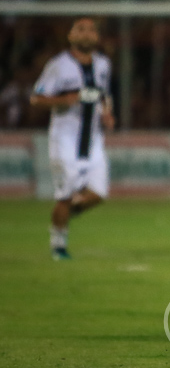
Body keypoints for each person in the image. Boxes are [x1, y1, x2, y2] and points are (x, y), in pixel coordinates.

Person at [30, 18, 114, 260]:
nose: (87, 34)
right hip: (65, 140)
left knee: (98, 194)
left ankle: (62, 217)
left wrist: (107, 114)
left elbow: (104, 95)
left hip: (93, 140)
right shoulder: (59, 65)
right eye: (81, 30)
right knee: (65, 195)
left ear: (97, 37)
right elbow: (36, 98)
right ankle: (58, 245)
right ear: (71, 36)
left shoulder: (103, 64)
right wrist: (63, 100)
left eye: (91, 30)